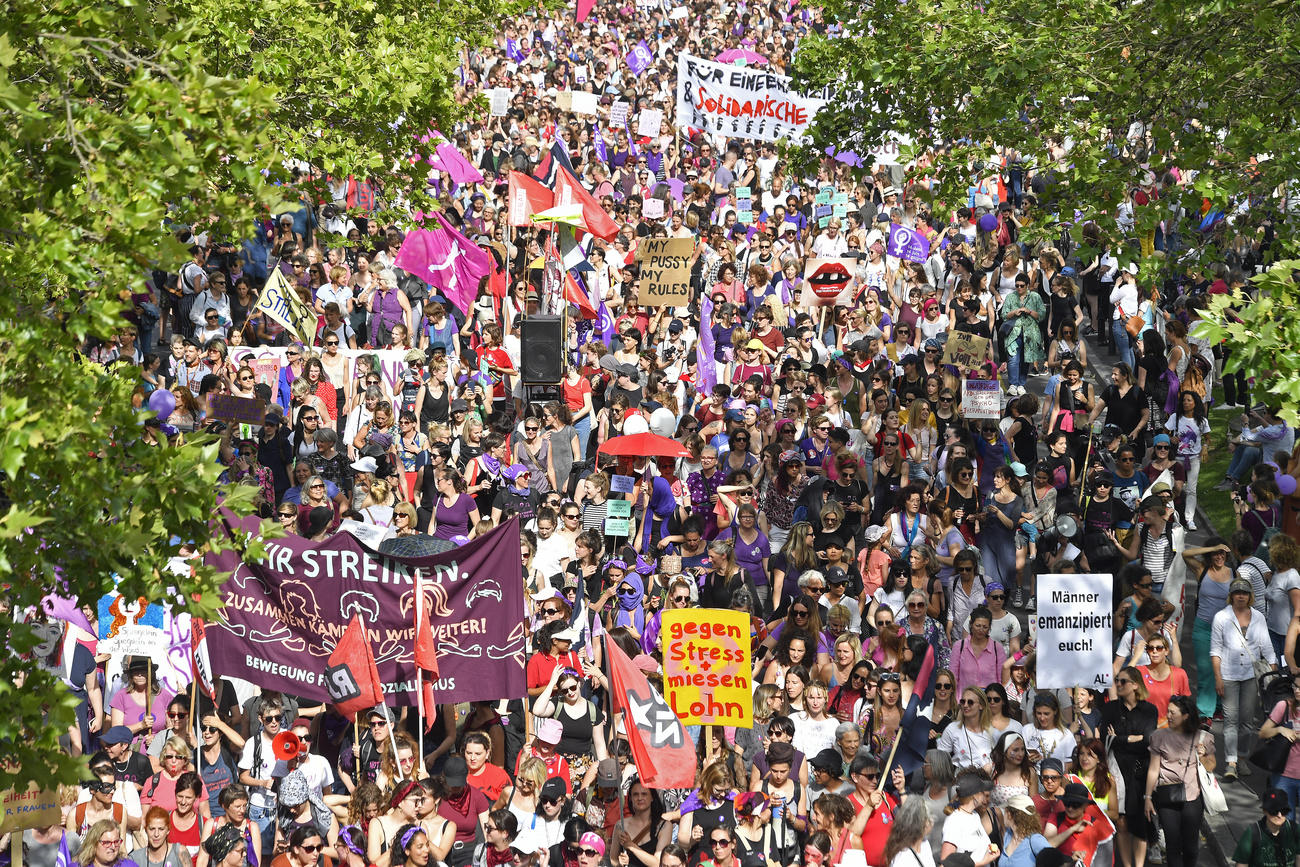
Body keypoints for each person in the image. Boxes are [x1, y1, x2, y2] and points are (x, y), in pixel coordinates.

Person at [1211, 577, 1278, 779]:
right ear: (1231, 596)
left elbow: (1266, 647)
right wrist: (1218, 678)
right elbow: (1215, 650)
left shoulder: (1258, 617)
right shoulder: (1221, 617)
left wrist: (1272, 674)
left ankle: (1241, 758)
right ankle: (1230, 762)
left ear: (1250, 596)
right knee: (1230, 720)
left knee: (1247, 721)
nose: (1241, 596)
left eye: (1245, 593)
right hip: (1229, 674)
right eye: (1237, 592)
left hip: (1251, 676)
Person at [1144, 695, 1214, 867]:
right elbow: (1153, 769)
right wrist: (1147, 798)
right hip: (1167, 798)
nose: (1168, 715)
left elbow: (1211, 766)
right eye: (1167, 712)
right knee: (1172, 845)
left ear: (1185, 716)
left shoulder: (1202, 737)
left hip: (1192, 798)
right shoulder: (1158, 736)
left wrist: (1203, 755)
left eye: (1172, 713)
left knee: (1190, 847)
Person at [1230, 789, 1300, 867]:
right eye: (1274, 811)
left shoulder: (1294, 829)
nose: (1279, 815)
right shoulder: (1253, 832)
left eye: (1284, 811)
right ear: (1264, 811)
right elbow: (1242, 863)